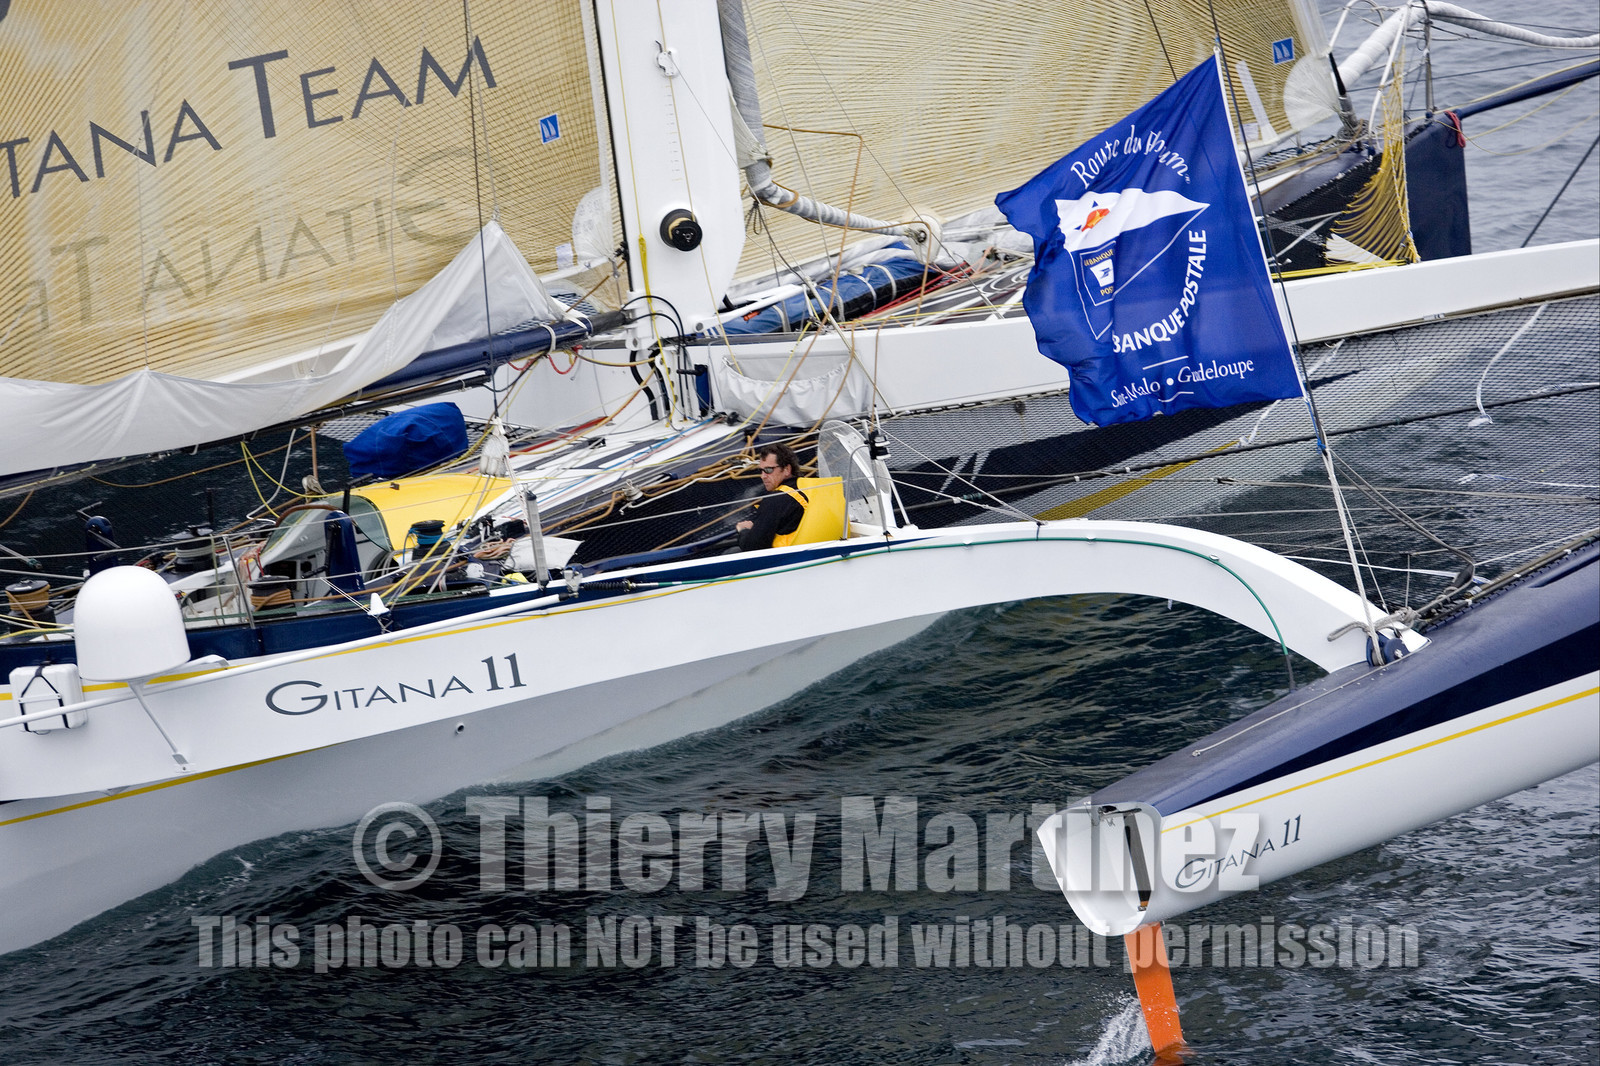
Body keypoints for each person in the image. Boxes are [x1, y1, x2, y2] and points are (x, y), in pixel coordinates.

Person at [736, 443, 806, 551]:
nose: (763, 476)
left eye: (768, 470)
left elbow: (752, 548)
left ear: (787, 469)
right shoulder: (807, 486)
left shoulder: (776, 500)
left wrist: (744, 530)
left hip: (787, 559)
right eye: (761, 470)